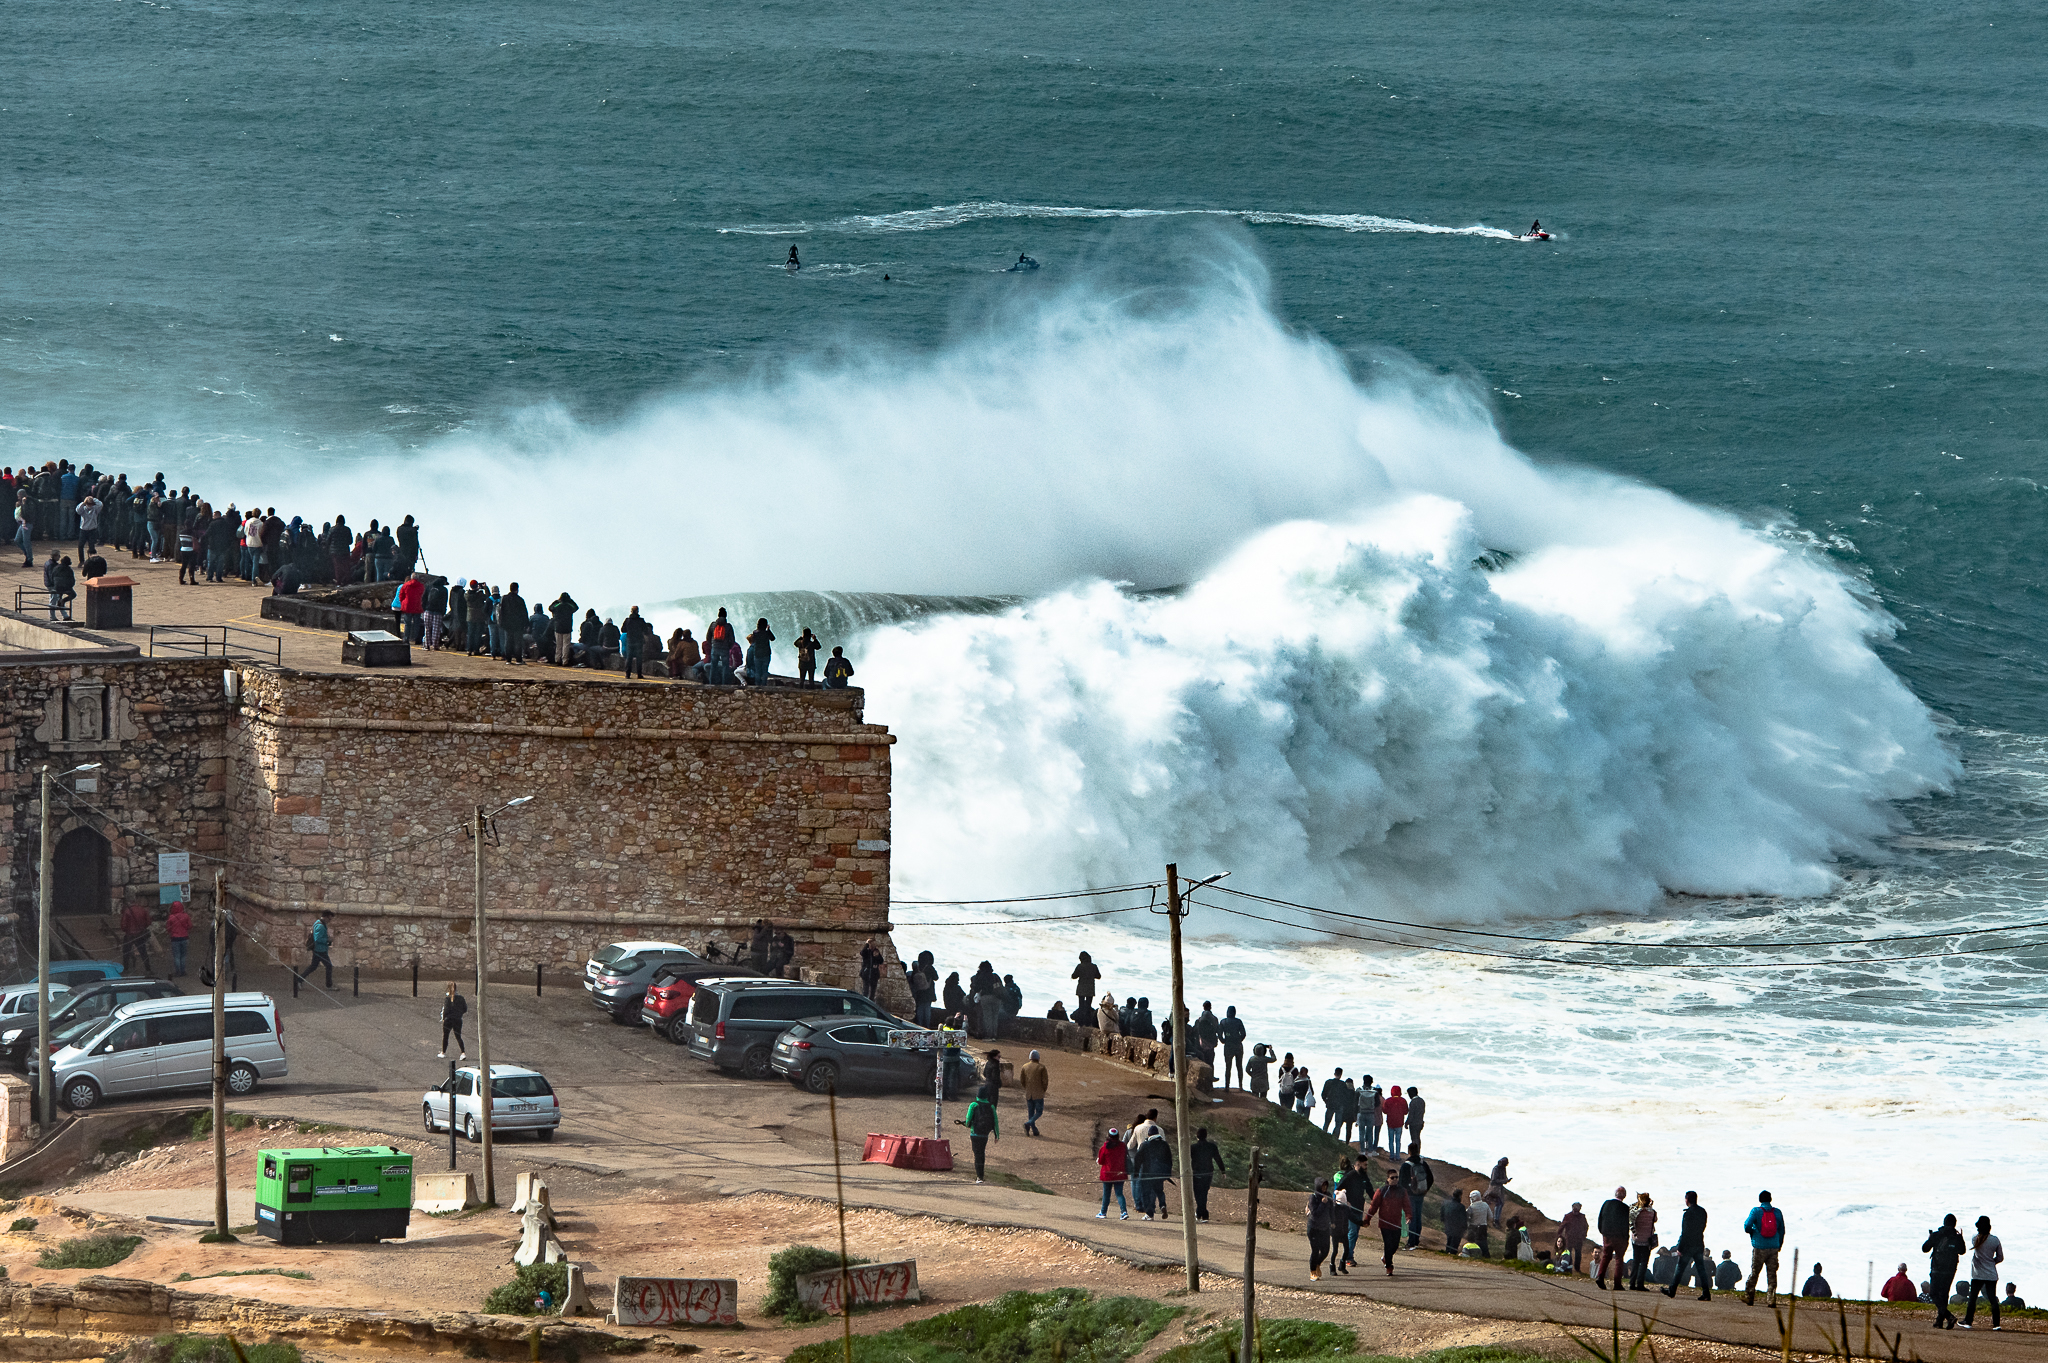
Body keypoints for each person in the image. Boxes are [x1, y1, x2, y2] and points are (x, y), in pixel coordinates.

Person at [1664, 1191, 1712, 1301]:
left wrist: (1680, 1248)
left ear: (1687, 1200)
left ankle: (1672, 1291)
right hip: (1699, 1244)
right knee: (1701, 1270)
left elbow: (1685, 1232)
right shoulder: (1702, 1211)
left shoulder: (1688, 1213)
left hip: (1688, 1246)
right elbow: (1702, 1227)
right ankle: (1706, 1293)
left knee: (1680, 1268)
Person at [1742, 1190, 1787, 1307]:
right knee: (1772, 1274)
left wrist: (1753, 1232)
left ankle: (1749, 1297)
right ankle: (1771, 1299)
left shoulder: (1756, 1211)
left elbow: (1747, 1226)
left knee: (1755, 1272)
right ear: (1770, 1199)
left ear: (1760, 1200)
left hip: (1759, 1246)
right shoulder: (1777, 1212)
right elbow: (1782, 1230)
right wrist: (1779, 1244)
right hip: (1773, 1247)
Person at [1363, 1175, 1412, 1277]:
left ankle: (1386, 1258)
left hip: (1397, 1223)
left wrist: (1408, 1216)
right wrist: (1367, 1219)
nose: (1395, 1180)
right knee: (1388, 1244)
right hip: (1384, 1224)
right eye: (1392, 1178)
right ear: (1387, 1179)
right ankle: (1389, 1267)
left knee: (1395, 1245)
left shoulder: (1402, 1191)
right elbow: (1374, 1206)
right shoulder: (1381, 1191)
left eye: (1396, 1177)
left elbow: (1406, 1204)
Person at [1962, 1215, 2003, 1330]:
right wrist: (1991, 1263)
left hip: (1977, 1274)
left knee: (1973, 1298)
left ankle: (1968, 1321)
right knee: (1992, 1299)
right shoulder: (1995, 1240)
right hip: (1991, 1274)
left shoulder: (1975, 1238)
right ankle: (1996, 1324)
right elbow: (2000, 1257)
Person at [1595, 1187, 1631, 1289]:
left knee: (1606, 1256)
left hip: (1607, 1235)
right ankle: (1617, 1284)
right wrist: (1626, 1238)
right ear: (1624, 1196)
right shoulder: (1625, 1208)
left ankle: (1600, 1277)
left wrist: (1603, 1232)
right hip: (1620, 1237)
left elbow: (1600, 1218)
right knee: (1619, 1258)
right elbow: (1626, 1225)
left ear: (1615, 1194)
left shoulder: (1606, 1203)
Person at [961, 1090, 998, 1184]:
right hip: (985, 1134)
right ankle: (981, 1175)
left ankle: (979, 1177)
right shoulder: (991, 1106)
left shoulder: (973, 1105)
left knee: (977, 1154)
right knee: (982, 1153)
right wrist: (997, 1135)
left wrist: (967, 1125)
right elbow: (995, 1121)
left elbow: (968, 1119)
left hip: (975, 1133)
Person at [1399, 1150, 1434, 1249]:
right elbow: (1431, 1178)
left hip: (1410, 1195)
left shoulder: (1406, 1165)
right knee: (1418, 1217)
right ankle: (1416, 1241)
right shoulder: (1423, 1163)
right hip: (1420, 1194)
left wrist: (1404, 1194)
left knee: (1411, 1218)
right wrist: (1426, 1190)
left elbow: (1401, 1183)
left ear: (1409, 1152)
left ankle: (1411, 1242)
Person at [1190, 1127, 1224, 1223]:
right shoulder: (1212, 1146)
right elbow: (1218, 1159)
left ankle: (1201, 1213)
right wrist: (1223, 1171)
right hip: (1208, 1173)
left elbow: (1187, 1160)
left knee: (1197, 1193)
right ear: (1206, 1136)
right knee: (1204, 1192)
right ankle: (1202, 1213)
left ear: (1197, 1136)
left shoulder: (1193, 1147)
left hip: (1196, 1173)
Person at [1306, 1179, 1337, 1280]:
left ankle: (1317, 1264)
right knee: (1315, 1250)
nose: (1324, 1188)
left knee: (1325, 1250)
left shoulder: (1328, 1195)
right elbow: (1314, 1213)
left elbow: (1331, 1210)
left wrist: (1333, 1221)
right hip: (1314, 1228)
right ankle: (1312, 1271)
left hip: (1324, 1227)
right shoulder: (1313, 1197)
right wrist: (1322, 1203)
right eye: (1322, 1186)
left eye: (1326, 1186)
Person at [1096, 1126, 1129, 1219]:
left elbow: (1101, 1161)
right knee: (1119, 1193)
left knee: (1106, 1194)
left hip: (1107, 1174)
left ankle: (1103, 1212)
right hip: (1120, 1173)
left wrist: (1098, 1160)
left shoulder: (1104, 1147)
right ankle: (1124, 1212)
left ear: (1108, 1136)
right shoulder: (1122, 1146)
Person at [1628, 1192, 1658, 1291]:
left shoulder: (1635, 1212)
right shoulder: (1652, 1212)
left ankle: (1632, 1283)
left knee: (1636, 1261)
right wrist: (1650, 1206)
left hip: (1636, 1239)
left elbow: (1630, 1219)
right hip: (1647, 1240)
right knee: (1644, 1262)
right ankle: (1640, 1284)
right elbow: (1655, 1220)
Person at [119, 900, 154, 975]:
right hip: (140, 934)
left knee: (126, 953)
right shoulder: (142, 910)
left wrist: (127, 930)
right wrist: (142, 928)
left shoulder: (127, 911)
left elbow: (123, 925)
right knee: (143, 952)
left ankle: (126, 969)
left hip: (129, 935)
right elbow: (148, 922)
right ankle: (148, 969)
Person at [1019, 1049, 1048, 1135]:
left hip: (1029, 1093)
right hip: (1038, 1094)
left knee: (1030, 1112)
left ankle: (1033, 1129)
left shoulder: (1024, 1067)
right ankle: (1028, 1124)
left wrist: (1027, 1088)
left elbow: (1022, 1080)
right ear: (1038, 1058)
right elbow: (1045, 1082)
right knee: (1039, 1112)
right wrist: (1043, 1090)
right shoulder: (1041, 1067)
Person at [303, 910, 335, 988]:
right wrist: (328, 940)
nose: (329, 921)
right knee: (329, 966)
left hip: (319, 949)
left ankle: (299, 980)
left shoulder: (319, 923)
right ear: (326, 917)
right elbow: (317, 939)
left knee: (313, 967)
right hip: (320, 950)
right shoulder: (320, 926)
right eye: (329, 919)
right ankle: (329, 985)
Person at [498, 582, 528, 663]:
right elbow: (524, 613)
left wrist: (501, 622)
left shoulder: (505, 598)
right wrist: (526, 624)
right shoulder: (520, 600)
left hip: (507, 624)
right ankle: (518, 659)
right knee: (518, 642)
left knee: (508, 642)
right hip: (518, 625)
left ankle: (508, 659)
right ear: (517, 589)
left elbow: (502, 611)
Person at [1558, 1201, 1589, 1276]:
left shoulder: (1582, 1216)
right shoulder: (1567, 1216)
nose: (1576, 1211)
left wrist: (1584, 1235)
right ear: (1572, 1208)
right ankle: (1569, 1268)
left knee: (1578, 1254)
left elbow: (1586, 1226)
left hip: (1578, 1239)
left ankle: (1577, 1269)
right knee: (1568, 1253)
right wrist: (1560, 1235)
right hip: (1569, 1239)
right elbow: (1562, 1226)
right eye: (1575, 1209)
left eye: (1577, 1209)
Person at [1218, 1005, 1245, 1087]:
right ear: (1234, 1013)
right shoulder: (1239, 1021)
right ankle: (1240, 1086)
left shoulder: (1223, 1022)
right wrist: (1238, 1040)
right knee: (1239, 1066)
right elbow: (1243, 1034)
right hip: (1238, 1046)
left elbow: (1219, 1034)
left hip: (1228, 1046)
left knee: (1228, 1067)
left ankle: (1227, 1086)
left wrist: (1223, 1041)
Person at [622, 606, 653, 679]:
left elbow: (623, 630)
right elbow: (645, 630)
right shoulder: (641, 620)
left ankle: (627, 674)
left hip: (630, 641)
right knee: (639, 658)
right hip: (639, 641)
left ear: (631, 611)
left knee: (629, 658)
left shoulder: (627, 620)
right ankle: (639, 674)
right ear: (637, 611)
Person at [439, 983, 469, 1058]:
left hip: (448, 1020)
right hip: (458, 1020)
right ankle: (463, 1053)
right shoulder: (461, 998)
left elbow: (446, 1010)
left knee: (446, 1036)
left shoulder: (447, 999)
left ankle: (443, 1052)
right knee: (458, 1036)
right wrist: (459, 1014)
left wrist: (443, 1018)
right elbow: (465, 1009)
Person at [548, 592, 577, 665]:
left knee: (558, 645)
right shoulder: (570, 606)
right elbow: (576, 607)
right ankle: (565, 661)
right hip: (567, 627)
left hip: (558, 627)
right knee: (566, 645)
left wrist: (557, 601)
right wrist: (570, 600)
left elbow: (550, 608)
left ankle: (557, 660)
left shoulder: (557, 605)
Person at [165, 899, 192, 978]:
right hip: (184, 937)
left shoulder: (171, 917)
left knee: (176, 956)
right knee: (183, 956)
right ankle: (183, 971)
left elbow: (168, 928)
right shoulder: (186, 916)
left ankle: (178, 971)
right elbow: (190, 926)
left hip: (175, 938)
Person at [1069, 951, 1100, 1018]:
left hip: (1081, 988)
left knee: (1081, 1006)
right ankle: (1087, 1021)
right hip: (1090, 988)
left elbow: (1074, 976)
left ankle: (1080, 1021)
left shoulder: (1080, 966)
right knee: (1088, 1005)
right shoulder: (1094, 966)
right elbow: (1098, 976)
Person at [1442, 1186, 1469, 1258]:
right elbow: (1464, 1218)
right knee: (1455, 1244)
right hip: (1457, 1228)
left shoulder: (1446, 1203)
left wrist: (1444, 1222)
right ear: (1460, 1196)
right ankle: (1452, 1255)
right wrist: (1465, 1228)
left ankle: (1447, 1253)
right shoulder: (1461, 1207)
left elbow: (1442, 1215)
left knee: (1449, 1240)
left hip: (1448, 1226)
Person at [1358, 1075, 1383, 1153]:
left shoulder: (1359, 1090)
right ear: (1371, 1082)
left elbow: (1355, 1103)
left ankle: (1362, 1150)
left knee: (1361, 1132)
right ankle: (1370, 1151)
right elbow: (1377, 1103)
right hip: (1371, 1113)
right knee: (1370, 1132)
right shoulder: (1374, 1092)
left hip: (1361, 1113)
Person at [1320, 1068, 1347, 1134]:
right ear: (1341, 1074)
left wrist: (1326, 1101)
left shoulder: (1328, 1082)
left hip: (1330, 1105)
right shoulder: (1343, 1084)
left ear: (1334, 1073)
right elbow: (1345, 1096)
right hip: (1339, 1105)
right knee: (1338, 1125)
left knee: (1326, 1123)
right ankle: (1335, 1139)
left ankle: (1323, 1137)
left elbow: (1323, 1094)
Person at [1404, 1085, 1425, 1150]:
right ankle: (1418, 1151)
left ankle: (1415, 1153)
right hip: (1420, 1122)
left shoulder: (1413, 1102)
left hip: (1414, 1124)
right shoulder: (1422, 1100)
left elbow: (1411, 1114)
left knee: (1414, 1139)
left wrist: (1407, 1123)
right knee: (1418, 1138)